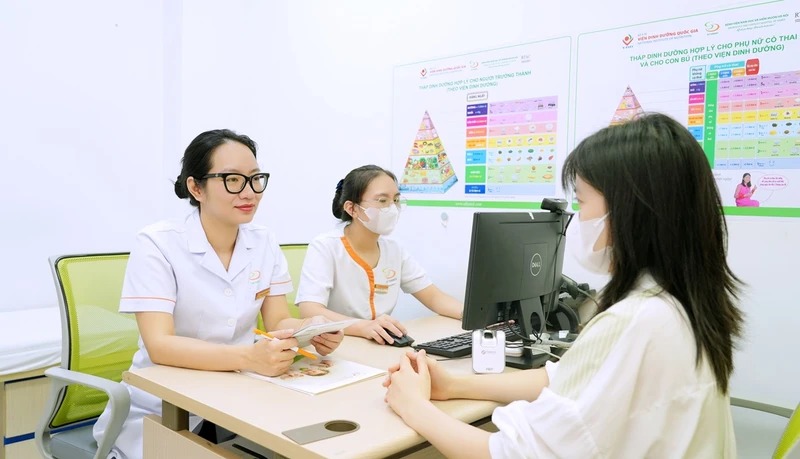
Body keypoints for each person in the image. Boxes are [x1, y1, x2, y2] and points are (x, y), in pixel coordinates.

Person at [383, 114, 744, 458]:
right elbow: (562, 378)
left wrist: (413, 406)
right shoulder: (679, 303)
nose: (578, 217)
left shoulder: (637, 321)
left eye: (582, 202)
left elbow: (512, 455)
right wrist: (454, 385)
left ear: (629, 210)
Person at [93, 129, 343, 459]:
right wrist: (248, 358)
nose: (249, 192)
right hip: (165, 402)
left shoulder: (263, 241)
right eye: (232, 180)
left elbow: (277, 321)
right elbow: (160, 345)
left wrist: (311, 328)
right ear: (196, 188)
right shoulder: (158, 243)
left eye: (255, 179)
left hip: (238, 393)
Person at [296, 165, 463, 345]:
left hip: (378, 344)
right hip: (336, 345)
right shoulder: (326, 246)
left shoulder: (394, 249)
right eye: (382, 200)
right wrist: (363, 327)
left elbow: (434, 297)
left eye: (396, 200)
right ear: (352, 208)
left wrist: (474, 317)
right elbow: (309, 310)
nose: (392, 208)